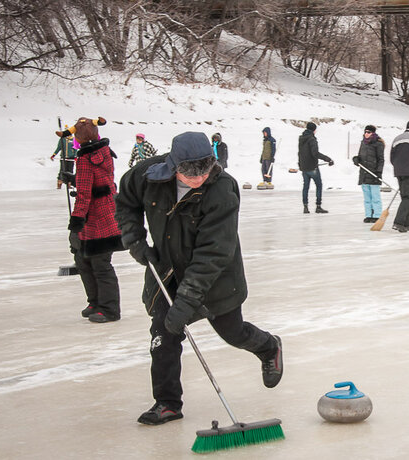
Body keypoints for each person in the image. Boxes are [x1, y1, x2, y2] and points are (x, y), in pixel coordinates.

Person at [114, 131, 283, 425]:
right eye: (189, 174)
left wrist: (188, 300)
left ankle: (269, 346)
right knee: (164, 335)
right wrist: (134, 239)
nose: (197, 179)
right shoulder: (146, 175)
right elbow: (125, 202)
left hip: (216, 276)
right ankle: (167, 402)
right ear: (173, 165)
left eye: (203, 172)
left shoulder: (222, 189)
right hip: (167, 271)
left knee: (232, 332)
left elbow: (213, 253)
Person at [65, 116, 123, 323]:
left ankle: (109, 309)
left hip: (95, 220)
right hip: (107, 214)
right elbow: (98, 181)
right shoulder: (104, 153)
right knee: (84, 259)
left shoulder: (85, 160)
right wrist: (73, 178)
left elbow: (84, 195)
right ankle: (96, 302)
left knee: (99, 264)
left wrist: (76, 220)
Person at [298, 122, 333, 214]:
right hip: (312, 167)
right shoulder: (312, 139)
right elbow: (315, 153)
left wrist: (300, 164)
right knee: (319, 185)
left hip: (304, 167)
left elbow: (300, 153)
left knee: (306, 187)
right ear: (313, 130)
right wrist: (327, 159)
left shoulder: (301, 138)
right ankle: (318, 206)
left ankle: (305, 207)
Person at [352, 125, 385, 223]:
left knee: (375, 197)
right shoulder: (363, 143)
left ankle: (377, 215)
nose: (366, 133)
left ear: (373, 133)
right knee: (367, 198)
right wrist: (356, 159)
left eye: (369, 132)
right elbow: (360, 156)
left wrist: (379, 172)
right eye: (365, 132)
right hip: (364, 174)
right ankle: (368, 215)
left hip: (374, 174)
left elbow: (381, 159)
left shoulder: (378, 144)